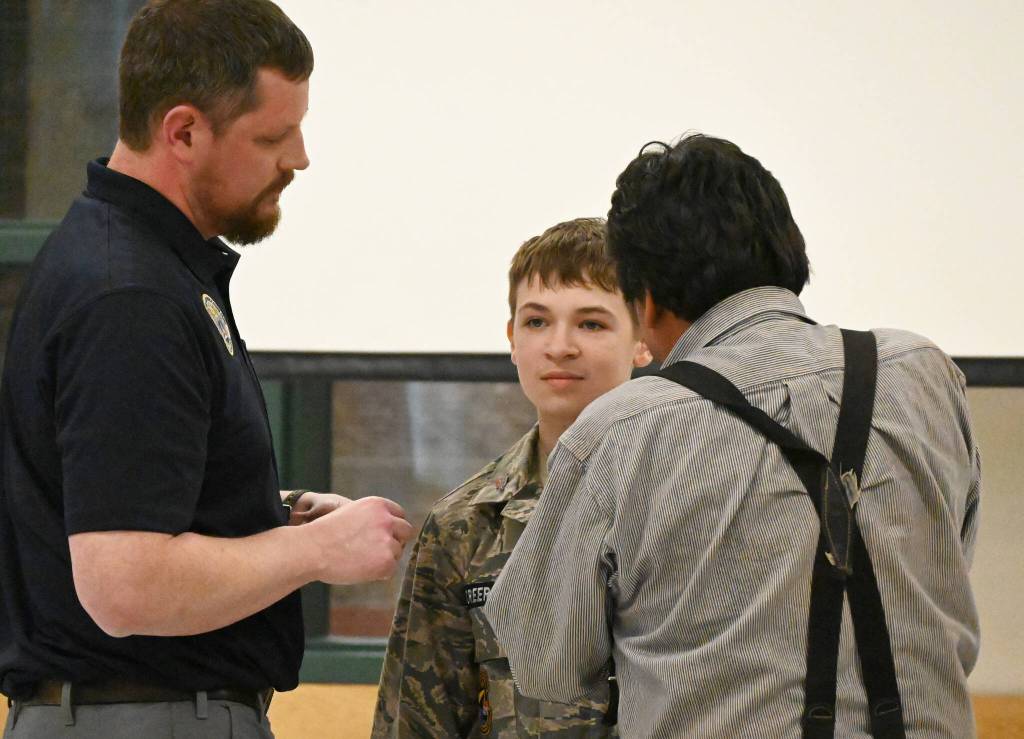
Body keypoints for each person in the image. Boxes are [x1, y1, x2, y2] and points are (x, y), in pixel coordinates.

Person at [0, 1, 413, 737]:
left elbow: (118, 502)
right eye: (272, 136)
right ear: (184, 132)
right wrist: (318, 549)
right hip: (143, 716)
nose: (299, 158)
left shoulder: (136, 263)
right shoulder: (130, 298)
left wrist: (264, 513)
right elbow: (124, 585)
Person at [484, 135, 981, 738]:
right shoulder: (920, 372)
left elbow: (546, 667)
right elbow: (946, 565)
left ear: (644, 301)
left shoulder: (618, 428)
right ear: (788, 255)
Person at [371, 218, 651, 737]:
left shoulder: (687, 499)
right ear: (512, 339)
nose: (559, 346)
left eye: (592, 324)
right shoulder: (465, 524)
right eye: (537, 322)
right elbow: (415, 722)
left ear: (643, 339)